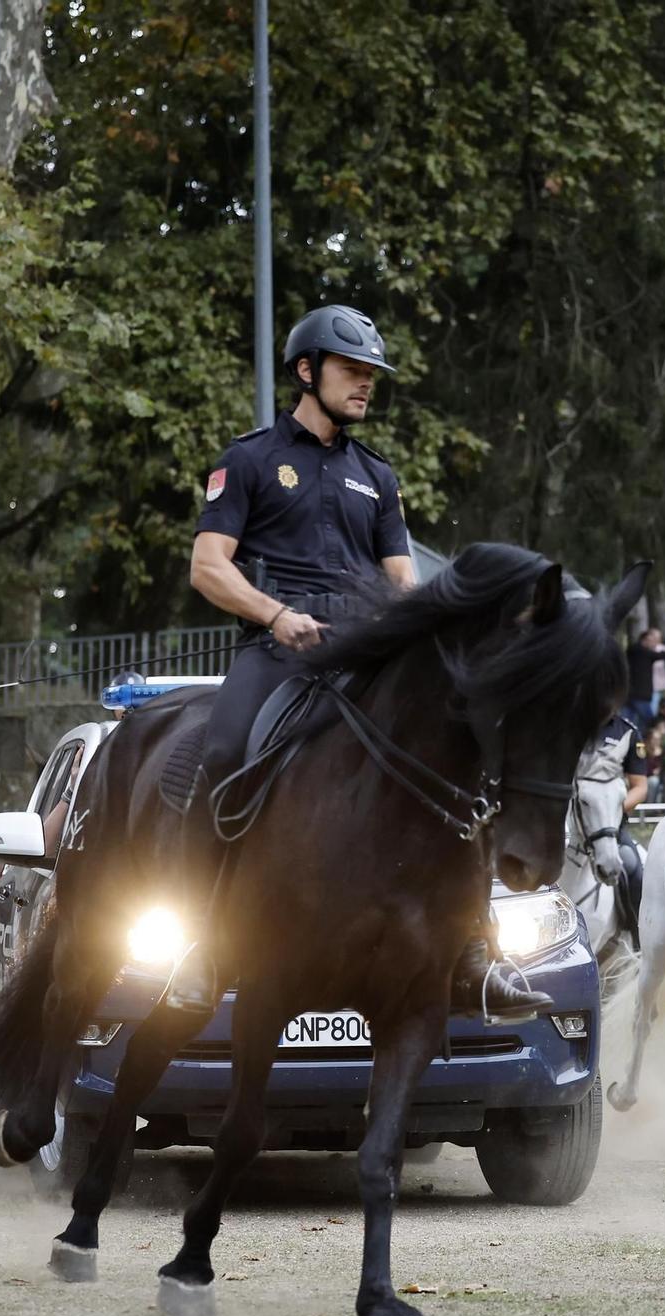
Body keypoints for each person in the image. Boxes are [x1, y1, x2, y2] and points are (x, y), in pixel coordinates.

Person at [187, 303, 544, 1018]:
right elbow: (208, 568)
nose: (365, 386)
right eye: (352, 372)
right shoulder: (249, 459)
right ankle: (199, 943)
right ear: (306, 370)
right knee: (223, 750)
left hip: (366, 654)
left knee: (461, 762)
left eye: (371, 376)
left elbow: (404, 582)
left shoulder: (377, 476)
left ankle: (477, 950)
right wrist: (276, 615)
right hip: (278, 648)